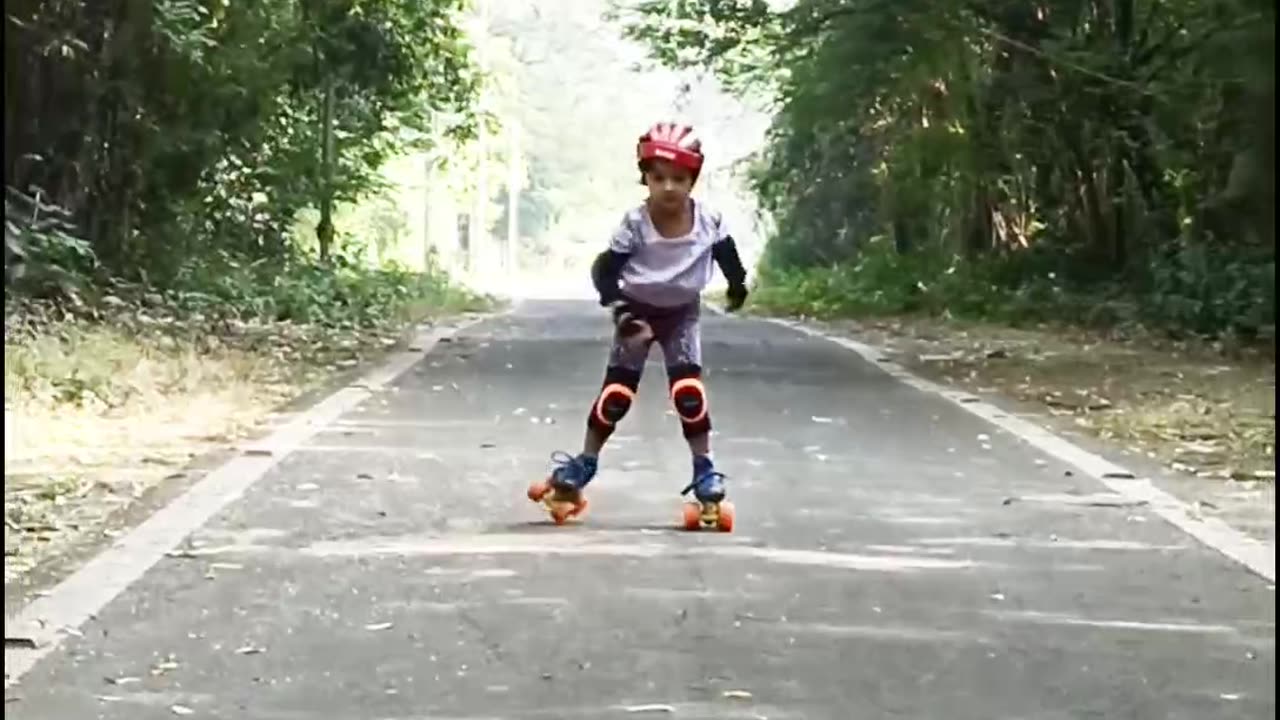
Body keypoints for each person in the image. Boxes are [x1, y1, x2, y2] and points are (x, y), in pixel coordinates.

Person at [530, 121, 749, 525]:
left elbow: (728, 257)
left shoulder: (709, 221)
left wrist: (737, 285)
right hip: (636, 311)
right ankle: (585, 463)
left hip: (681, 312)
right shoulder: (635, 224)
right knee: (616, 395)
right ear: (645, 177)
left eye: (679, 179)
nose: (668, 187)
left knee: (689, 393)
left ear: (693, 180)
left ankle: (705, 469)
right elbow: (604, 272)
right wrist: (623, 313)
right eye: (658, 177)